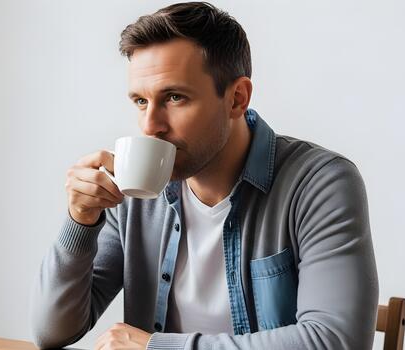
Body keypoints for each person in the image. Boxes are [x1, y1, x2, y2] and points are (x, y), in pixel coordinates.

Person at [30, 2, 378, 349]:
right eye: (140, 101)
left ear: (237, 99)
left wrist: (159, 347)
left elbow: (336, 341)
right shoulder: (134, 194)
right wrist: (81, 220)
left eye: (175, 97)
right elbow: (52, 332)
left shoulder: (320, 184)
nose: (151, 126)